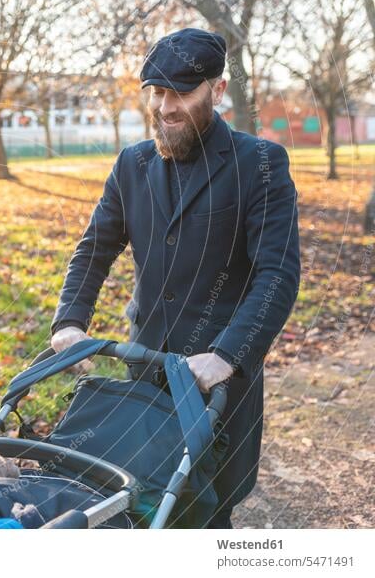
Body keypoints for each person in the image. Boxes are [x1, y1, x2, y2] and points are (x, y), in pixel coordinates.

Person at [50, 28, 301, 528]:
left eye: (182, 92)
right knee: (142, 505)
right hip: (143, 368)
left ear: (218, 90)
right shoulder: (132, 164)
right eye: (158, 92)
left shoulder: (260, 165)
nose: (166, 106)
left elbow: (278, 272)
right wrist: (70, 321)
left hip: (216, 380)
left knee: (205, 511)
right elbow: (96, 248)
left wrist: (227, 355)